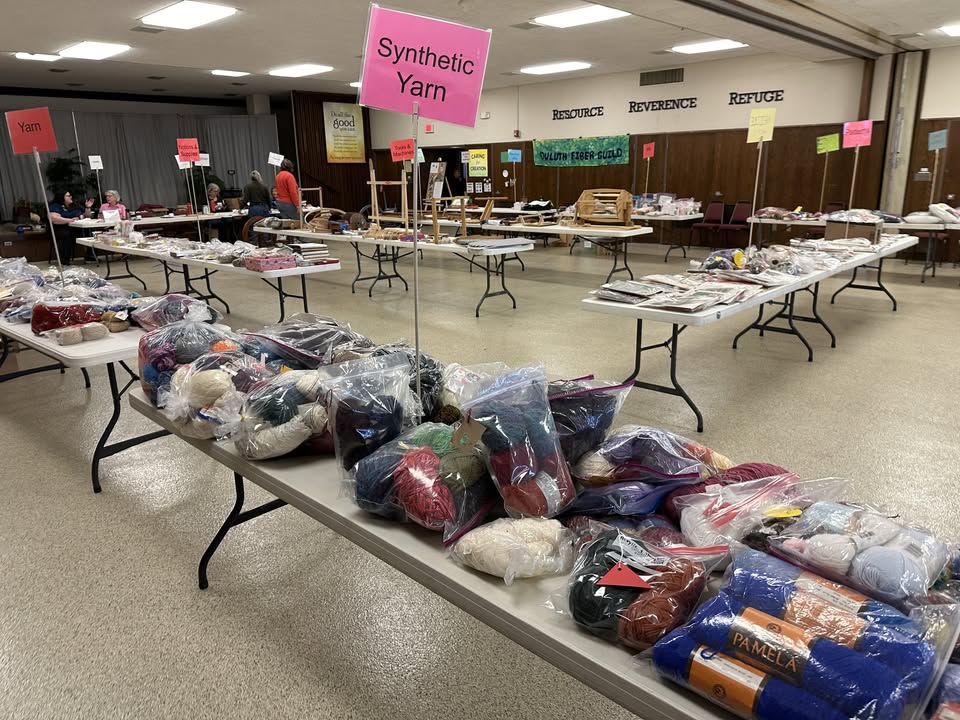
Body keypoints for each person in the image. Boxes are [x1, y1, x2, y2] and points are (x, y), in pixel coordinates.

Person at [48, 191, 93, 264]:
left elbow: (86, 216)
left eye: (70, 195)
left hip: (76, 228)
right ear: (62, 197)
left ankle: (90, 257)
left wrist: (88, 207)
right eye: (68, 196)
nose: (71, 197)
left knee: (90, 232)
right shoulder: (55, 206)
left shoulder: (75, 205)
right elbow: (54, 219)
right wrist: (71, 220)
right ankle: (65, 260)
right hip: (60, 229)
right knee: (66, 235)